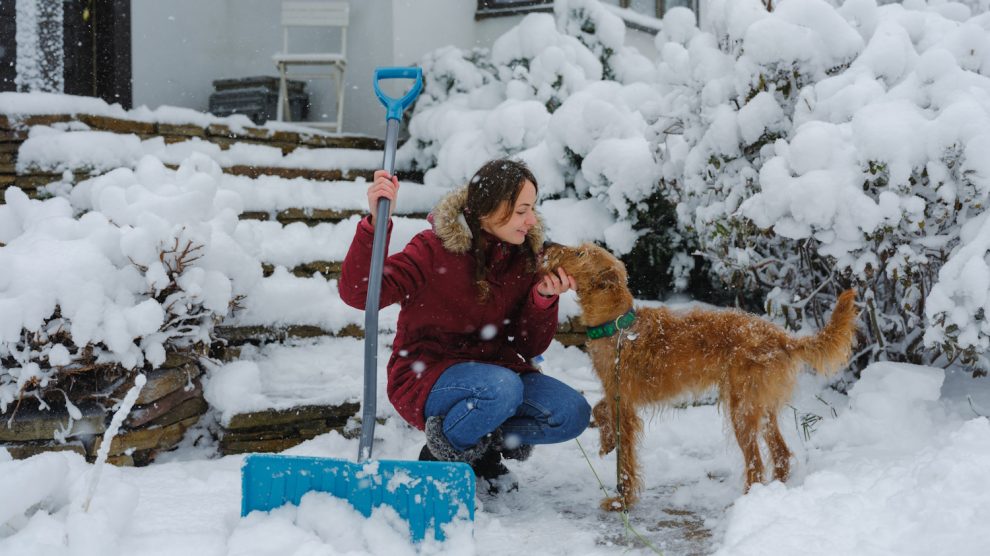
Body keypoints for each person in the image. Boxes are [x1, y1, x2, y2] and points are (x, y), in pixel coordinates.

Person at [339, 158, 591, 494]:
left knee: (570, 412)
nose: (530, 221)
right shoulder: (432, 250)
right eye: (520, 211)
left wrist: (542, 300)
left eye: (532, 209)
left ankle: (482, 449)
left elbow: (529, 347)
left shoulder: (523, 258)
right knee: (502, 388)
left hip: (496, 376)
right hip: (426, 375)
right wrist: (376, 223)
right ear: (488, 210)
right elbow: (360, 293)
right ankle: (438, 456)